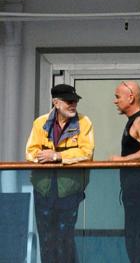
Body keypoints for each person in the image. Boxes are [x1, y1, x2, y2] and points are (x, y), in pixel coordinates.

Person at [25, 83, 95, 263]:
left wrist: (57, 156)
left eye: (75, 101)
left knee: (65, 238)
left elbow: (86, 153)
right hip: (44, 190)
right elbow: (30, 152)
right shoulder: (40, 123)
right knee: (46, 239)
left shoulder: (84, 122)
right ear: (56, 103)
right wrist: (43, 157)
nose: (73, 104)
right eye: (69, 101)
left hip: (70, 190)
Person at [109, 80, 140, 263]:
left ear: (130, 97)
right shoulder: (134, 121)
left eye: (117, 97)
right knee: (134, 238)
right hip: (134, 190)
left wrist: (122, 160)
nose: (115, 101)